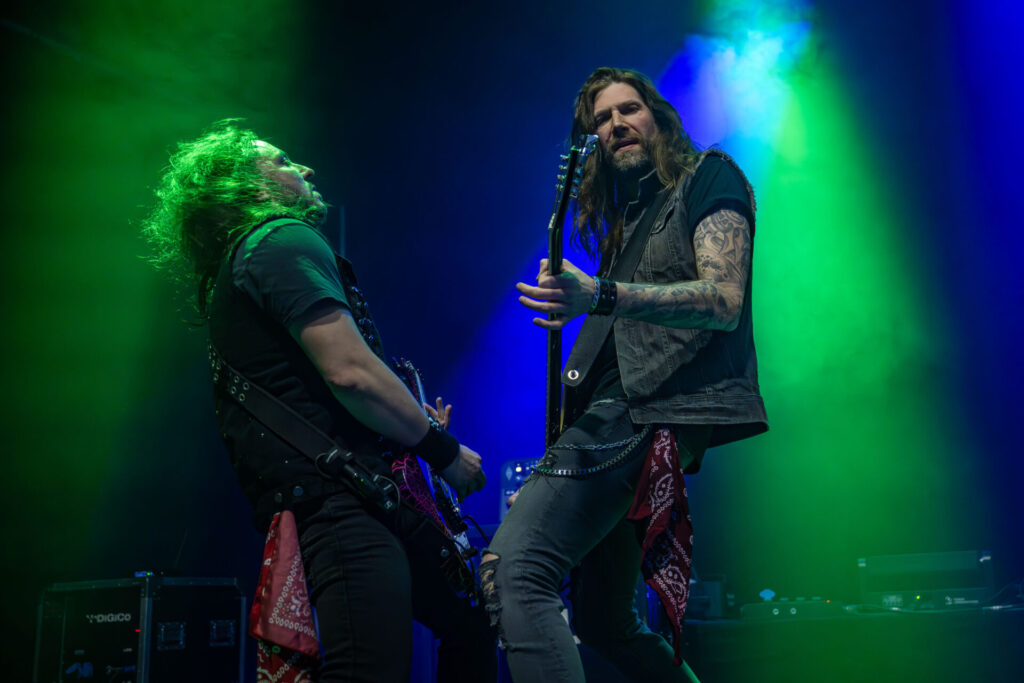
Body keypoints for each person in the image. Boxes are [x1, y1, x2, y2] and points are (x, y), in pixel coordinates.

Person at [142, 120, 493, 682]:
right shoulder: (281, 238)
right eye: (283, 161)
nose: (305, 168)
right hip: (340, 500)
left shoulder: (246, 260)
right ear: (248, 187)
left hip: (349, 495)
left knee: (469, 627)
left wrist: (398, 424)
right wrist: (442, 450)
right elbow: (352, 373)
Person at [480, 67, 768, 682]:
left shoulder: (709, 176)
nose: (616, 124)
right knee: (606, 622)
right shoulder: (630, 219)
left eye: (628, 109)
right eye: (601, 120)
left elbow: (723, 300)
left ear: (658, 117)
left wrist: (600, 294)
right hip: (614, 411)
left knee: (515, 569)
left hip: (647, 410)